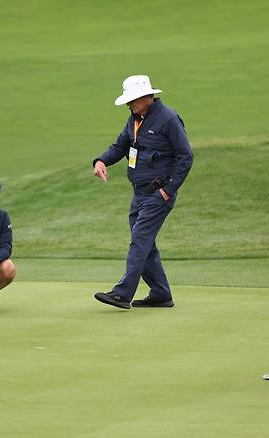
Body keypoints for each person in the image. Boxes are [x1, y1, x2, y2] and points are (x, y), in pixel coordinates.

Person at [92, 75, 193, 309]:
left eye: (133, 100)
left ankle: (123, 293)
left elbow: (185, 157)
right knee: (144, 243)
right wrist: (100, 161)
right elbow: (120, 146)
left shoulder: (168, 119)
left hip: (158, 194)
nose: (129, 104)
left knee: (139, 240)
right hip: (139, 193)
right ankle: (160, 293)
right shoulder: (135, 119)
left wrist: (168, 190)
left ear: (147, 97)